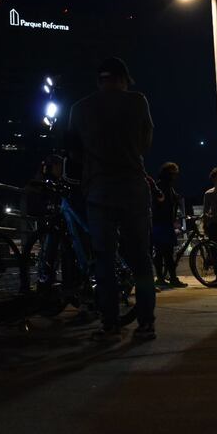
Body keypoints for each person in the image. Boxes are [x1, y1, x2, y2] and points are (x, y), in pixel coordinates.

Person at [67, 56, 157, 342]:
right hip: (132, 186)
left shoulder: (79, 109)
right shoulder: (137, 101)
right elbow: (146, 142)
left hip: (99, 191)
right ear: (122, 79)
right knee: (141, 259)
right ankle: (145, 324)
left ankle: (110, 325)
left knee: (104, 260)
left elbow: (73, 152)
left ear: (99, 80)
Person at [152, 162, 187, 288]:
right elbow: (159, 204)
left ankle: (165, 278)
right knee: (164, 252)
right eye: (173, 173)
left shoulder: (166, 186)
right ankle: (167, 278)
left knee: (164, 252)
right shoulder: (162, 186)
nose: (175, 176)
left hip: (163, 223)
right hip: (161, 223)